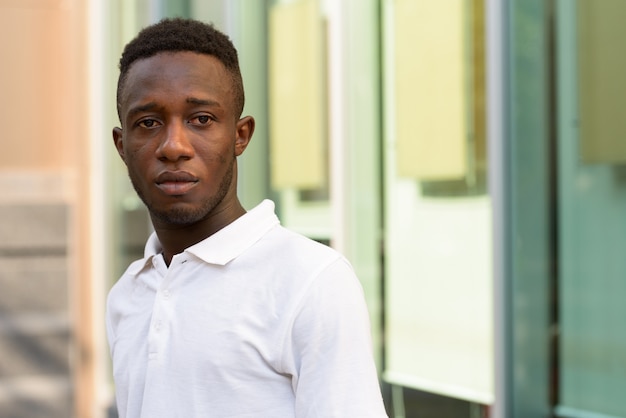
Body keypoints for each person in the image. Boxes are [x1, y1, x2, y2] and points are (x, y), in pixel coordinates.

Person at [106, 17, 388, 418]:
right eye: (148, 123)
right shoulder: (127, 295)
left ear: (240, 135)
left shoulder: (310, 281)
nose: (174, 146)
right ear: (122, 145)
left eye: (200, 119)